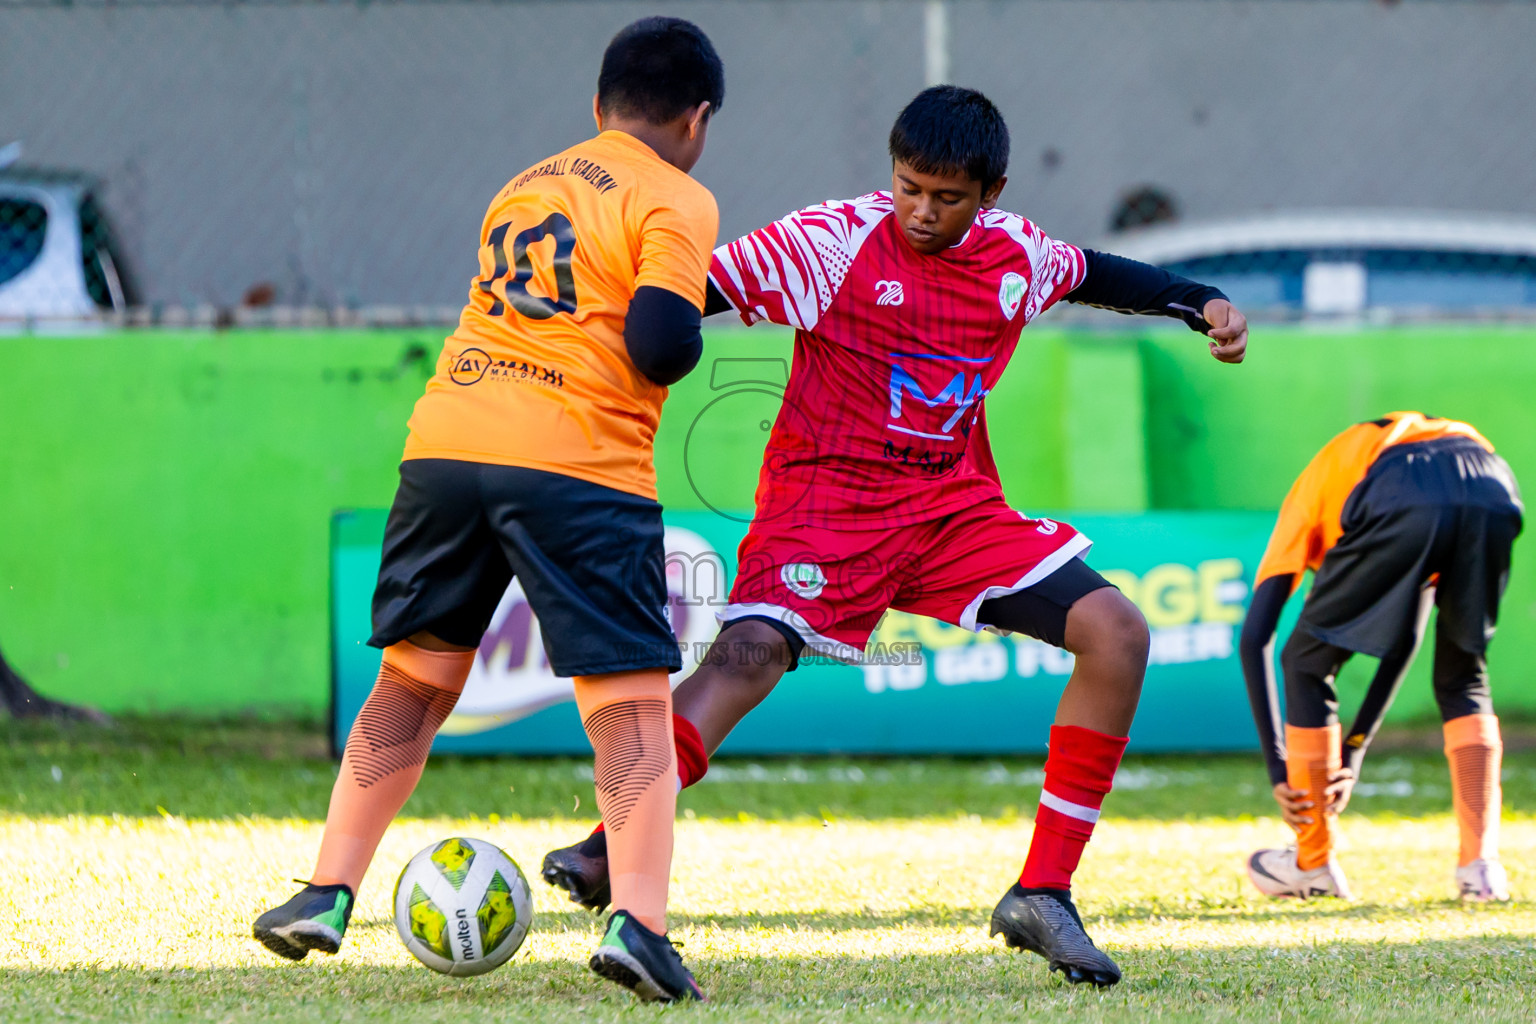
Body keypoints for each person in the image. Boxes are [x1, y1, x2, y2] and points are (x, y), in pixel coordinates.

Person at [541, 85, 1248, 988]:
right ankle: (610, 846)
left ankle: (1044, 892)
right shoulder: (830, 242)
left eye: (946, 198)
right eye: (909, 187)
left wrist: (1202, 301)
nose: (921, 210)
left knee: (1118, 632)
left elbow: (1098, 275)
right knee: (748, 657)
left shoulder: (1016, 255)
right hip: (825, 505)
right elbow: (685, 296)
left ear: (989, 193)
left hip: (952, 509)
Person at [252, 17, 724, 1002]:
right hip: (577, 462)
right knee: (630, 707)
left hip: (448, 445)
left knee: (414, 682)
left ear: (598, 108)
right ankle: (640, 926)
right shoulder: (677, 196)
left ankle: (326, 890)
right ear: (698, 119)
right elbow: (659, 343)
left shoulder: (527, 182)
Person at [1238, 412, 1522, 901]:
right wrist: (1353, 747)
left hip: (1399, 481)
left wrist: (1279, 767)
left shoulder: (1308, 503)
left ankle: (1312, 863)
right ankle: (1480, 870)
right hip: (1492, 482)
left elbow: (1256, 637)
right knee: (1465, 677)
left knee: (1305, 660)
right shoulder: (1355, 478)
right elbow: (1406, 637)